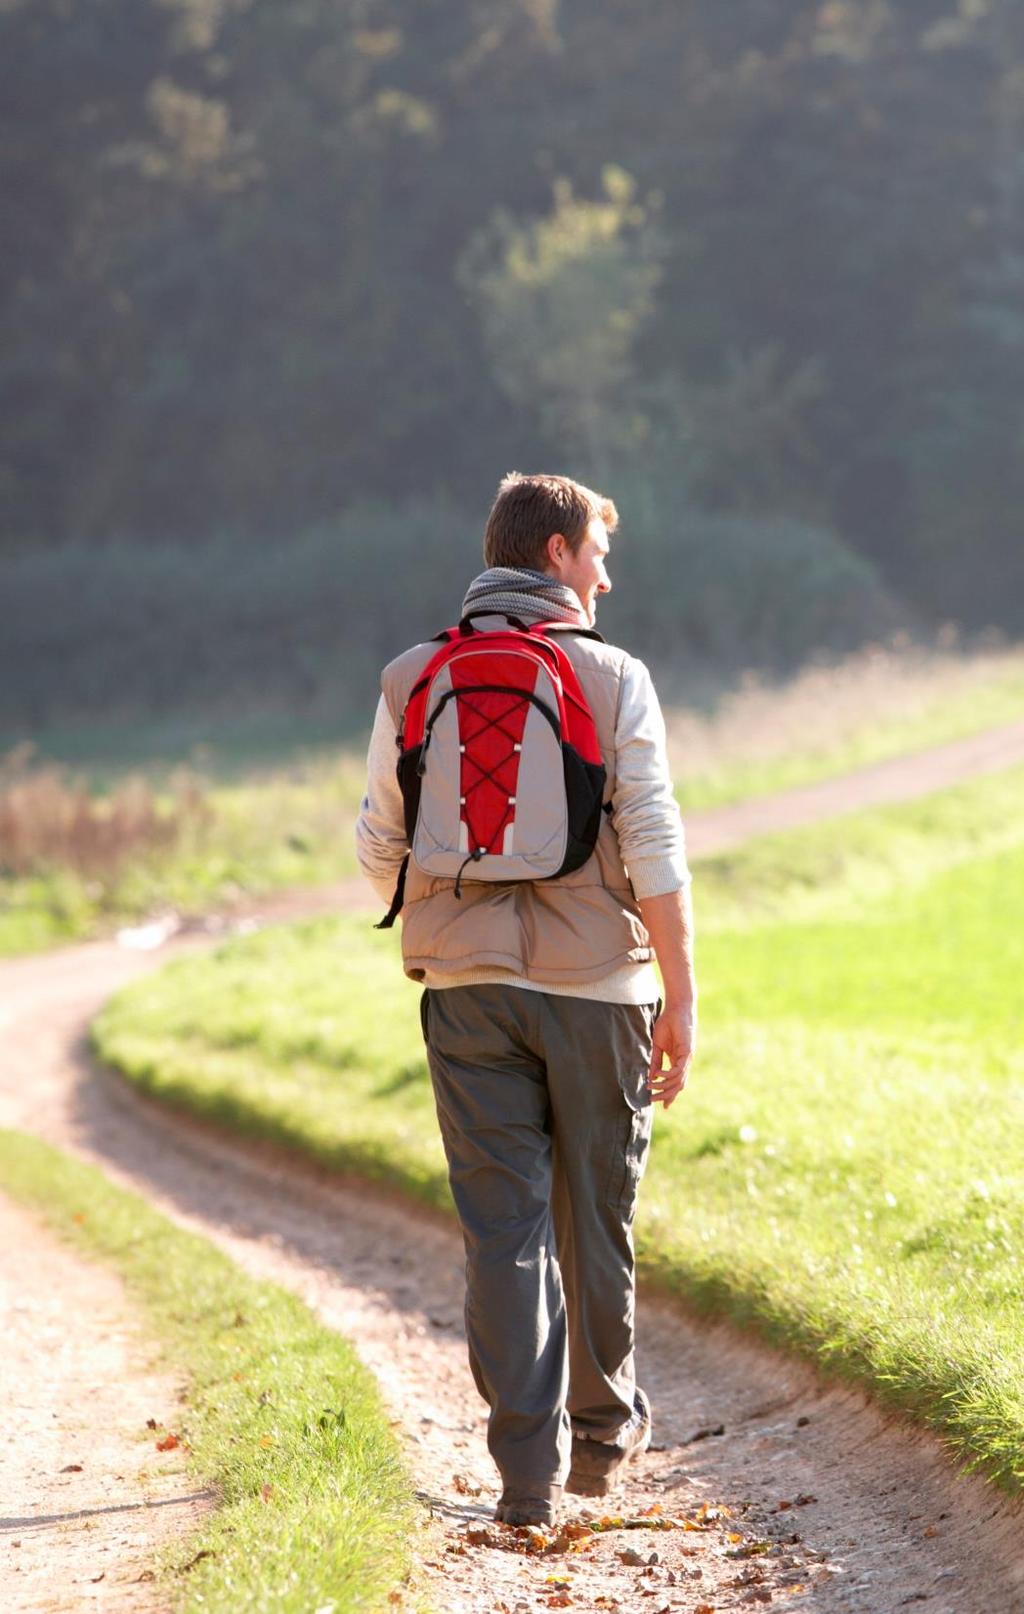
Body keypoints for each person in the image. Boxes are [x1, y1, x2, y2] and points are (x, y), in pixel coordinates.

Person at [355, 472, 697, 1529]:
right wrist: (681, 994)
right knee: (594, 1212)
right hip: (599, 989)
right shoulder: (613, 675)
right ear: (554, 553)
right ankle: (600, 1435)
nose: (605, 571)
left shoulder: (415, 675)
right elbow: (653, 844)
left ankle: (522, 1482)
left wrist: (449, 913)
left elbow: (378, 845)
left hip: (464, 995)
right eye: (596, 549)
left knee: (500, 1226)